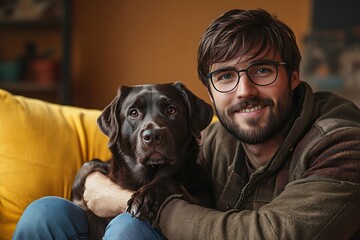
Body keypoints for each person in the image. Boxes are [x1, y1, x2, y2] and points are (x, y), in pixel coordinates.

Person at [13, 9, 360, 240]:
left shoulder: (343, 145)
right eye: (225, 76)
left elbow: (269, 233)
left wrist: (127, 202)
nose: (245, 91)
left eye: (262, 70)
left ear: (294, 77)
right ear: (210, 93)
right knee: (45, 213)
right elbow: (157, 169)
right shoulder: (219, 136)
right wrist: (91, 173)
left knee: (129, 229)